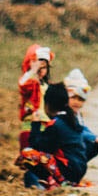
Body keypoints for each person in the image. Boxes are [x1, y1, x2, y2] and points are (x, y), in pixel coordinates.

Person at [44, 69, 98, 187]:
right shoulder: (61, 116)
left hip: (70, 161)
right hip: (63, 153)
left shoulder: (75, 115)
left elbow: (82, 130)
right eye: (73, 98)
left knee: (93, 144)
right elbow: (76, 132)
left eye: (81, 99)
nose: (76, 102)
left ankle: (63, 175)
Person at [16, 44, 59, 187]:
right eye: (37, 68)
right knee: (30, 156)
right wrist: (32, 70)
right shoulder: (30, 84)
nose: (41, 71)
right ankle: (33, 182)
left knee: (43, 157)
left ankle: (45, 181)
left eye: (44, 68)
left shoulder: (48, 87)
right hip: (30, 125)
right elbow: (22, 84)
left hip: (45, 125)